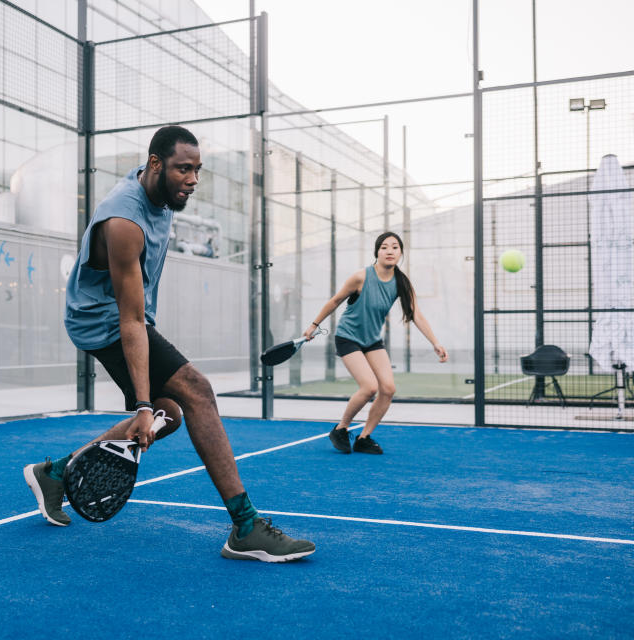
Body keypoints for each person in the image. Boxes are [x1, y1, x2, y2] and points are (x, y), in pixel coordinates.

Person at [23, 125, 316, 562]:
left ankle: (57, 473)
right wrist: (141, 405)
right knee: (197, 391)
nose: (193, 180)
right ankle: (246, 526)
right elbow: (131, 319)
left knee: (171, 414)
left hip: (122, 316)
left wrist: (151, 410)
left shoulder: (158, 189)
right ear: (156, 164)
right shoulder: (123, 221)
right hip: (101, 321)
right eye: (183, 169)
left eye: (198, 170)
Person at [303, 231, 448, 455]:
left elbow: (416, 314)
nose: (390, 251)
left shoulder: (401, 283)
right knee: (369, 386)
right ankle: (341, 429)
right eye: (384, 247)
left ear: (400, 253)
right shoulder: (361, 277)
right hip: (347, 337)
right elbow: (335, 301)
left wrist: (435, 343)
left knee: (388, 389)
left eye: (395, 247)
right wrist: (313, 325)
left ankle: (364, 437)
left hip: (371, 340)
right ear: (377, 252)